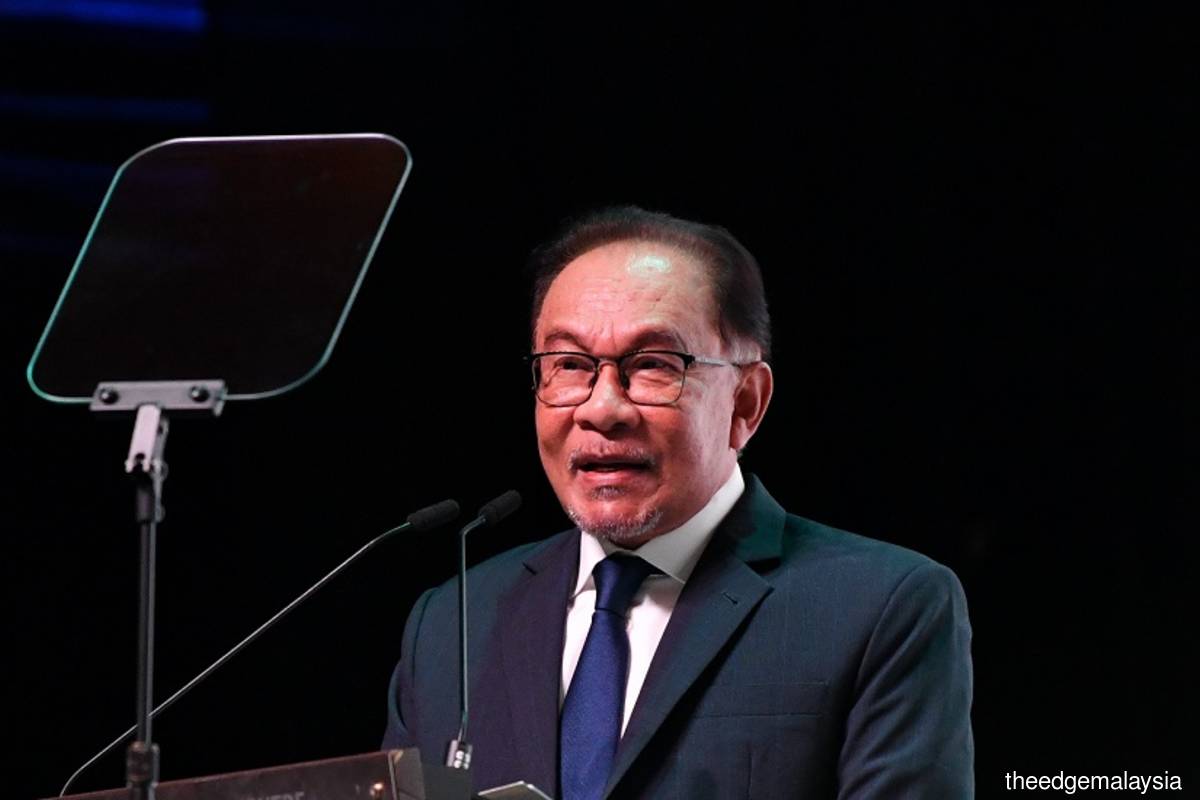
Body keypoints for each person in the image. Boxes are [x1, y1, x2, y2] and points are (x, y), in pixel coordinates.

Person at [383, 206, 974, 798]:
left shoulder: (881, 608)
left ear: (746, 402)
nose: (601, 409)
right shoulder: (450, 623)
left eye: (652, 366)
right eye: (569, 366)